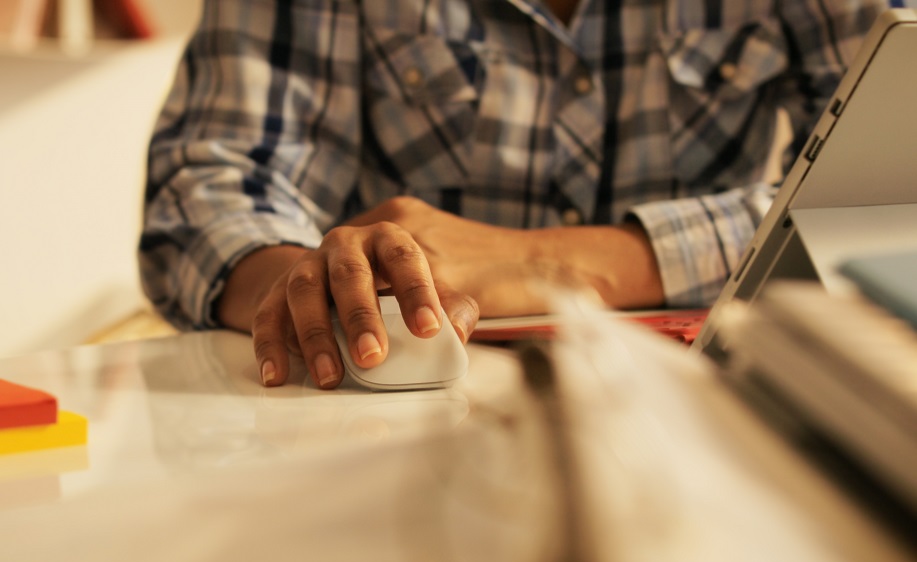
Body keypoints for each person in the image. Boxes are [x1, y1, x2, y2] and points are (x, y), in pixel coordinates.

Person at [140, 0, 889, 389]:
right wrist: (312, 283)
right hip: (396, 406)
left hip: (713, 402)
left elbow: (894, 183)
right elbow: (210, 180)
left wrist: (565, 264)